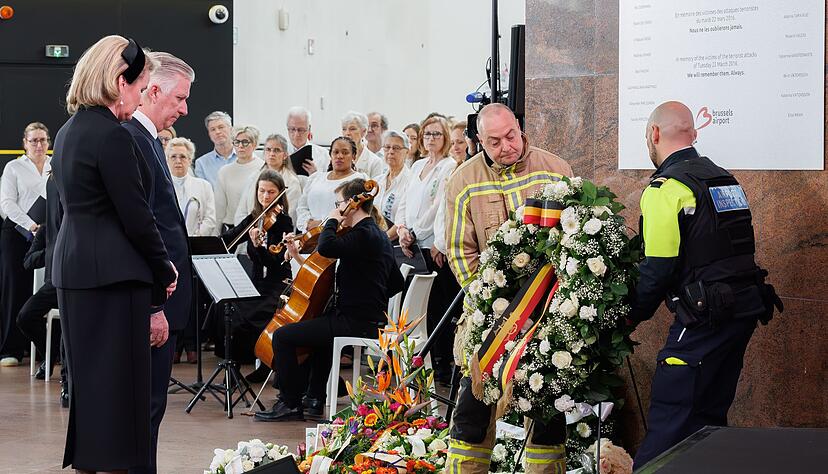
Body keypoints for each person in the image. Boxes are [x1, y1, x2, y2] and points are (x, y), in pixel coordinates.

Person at [628, 101, 781, 468]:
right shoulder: (725, 179)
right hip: (743, 312)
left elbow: (658, 268)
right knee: (708, 425)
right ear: (694, 134)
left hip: (703, 319)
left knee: (670, 422)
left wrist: (628, 316)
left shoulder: (665, 188)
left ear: (654, 134)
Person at [50, 35, 177, 473]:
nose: (140, 99)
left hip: (74, 272)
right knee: (124, 399)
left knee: (91, 392)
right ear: (120, 81)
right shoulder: (113, 136)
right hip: (115, 279)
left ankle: (90, 463)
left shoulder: (69, 132)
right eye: (140, 88)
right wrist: (164, 270)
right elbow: (137, 217)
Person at [444, 103, 572, 473]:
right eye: (495, 142)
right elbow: (460, 250)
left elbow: (574, 234)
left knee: (547, 411)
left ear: (519, 127)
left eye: (511, 136)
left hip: (547, 315)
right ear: (479, 141)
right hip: (490, 318)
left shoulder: (555, 169)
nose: (506, 147)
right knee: (472, 410)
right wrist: (490, 302)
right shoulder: (462, 181)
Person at [254, 177, 404, 421]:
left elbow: (326, 247)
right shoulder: (377, 234)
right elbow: (397, 283)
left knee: (283, 336)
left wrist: (333, 219)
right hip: (368, 318)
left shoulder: (362, 234)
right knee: (320, 333)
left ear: (353, 204)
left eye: (339, 203)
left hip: (356, 321)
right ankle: (314, 398)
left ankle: (290, 403)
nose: (337, 208)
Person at [122, 50, 194, 474]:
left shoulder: (148, 139)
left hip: (160, 298)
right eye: (179, 98)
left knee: (151, 409)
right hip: (153, 301)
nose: (184, 110)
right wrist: (155, 305)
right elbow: (142, 228)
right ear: (152, 90)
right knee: (144, 409)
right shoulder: (133, 138)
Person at [396, 116, 457, 382]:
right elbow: (403, 202)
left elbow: (439, 206)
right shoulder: (418, 165)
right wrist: (402, 229)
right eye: (427, 134)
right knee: (415, 308)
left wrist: (415, 232)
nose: (431, 138)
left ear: (445, 138)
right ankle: (417, 362)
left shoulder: (448, 166)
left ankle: (442, 364)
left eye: (436, 134)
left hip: (432, 245)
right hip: (411, 245)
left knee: (437, 308)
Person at [219, 170, 293, 363]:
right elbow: (230, 238)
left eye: (271, 192)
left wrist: (258, 247)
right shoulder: (254, 218)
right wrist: (206, 244)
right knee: (225, 309)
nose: (265, 196)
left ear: (279, 194)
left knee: (249, 314)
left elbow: (275, 262)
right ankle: (235, 364)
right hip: (256, 282)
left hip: (276, 284)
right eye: (262, 191)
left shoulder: (283, 221)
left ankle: (262, 362)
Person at [0, 122, 52, 366]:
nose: (38, 145)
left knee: (43, 291)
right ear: (25, 143)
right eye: (33, 140)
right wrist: (31, 225)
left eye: (43, 140)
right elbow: (6, 204)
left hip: (47, 236)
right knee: (14, 289)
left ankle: (44, 350)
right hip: (18, 234)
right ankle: (10, 349)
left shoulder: (55, 166)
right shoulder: (14, 167)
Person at [17, 170, 66, 405]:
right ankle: (50, 352)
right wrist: (50, 252)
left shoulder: (72, 225)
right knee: (24, 317)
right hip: (51, 285)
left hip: (71, 284)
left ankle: (65, 372)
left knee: (69, 324)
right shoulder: (46, 228)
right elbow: (28, 261)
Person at [295, 137, 367, 233]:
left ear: (353, 156)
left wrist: (324, 224)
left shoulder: (359, 179)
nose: (339, 156)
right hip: (309, 235)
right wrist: (307, 223)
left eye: (345, 152)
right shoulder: (315, 178)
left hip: (341, 234)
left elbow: (358, 213)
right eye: (335, 152)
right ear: (330, 155)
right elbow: (302, 207)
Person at [235, 133, 302, 228]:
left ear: (285, 155)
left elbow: (290, 216)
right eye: (268, 149)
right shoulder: (254, 177)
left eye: (277, 150)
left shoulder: (292, 182)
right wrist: (247, 230)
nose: (272, 154)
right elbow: (241, 211)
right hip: (249, 231)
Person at [214, 126, 265, 230]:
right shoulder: (224, 171)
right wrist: (216, 233)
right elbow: (219, 207)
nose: (240, 146)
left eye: (245, 142)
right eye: (237, 142)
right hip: (231, 227)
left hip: (257, 227)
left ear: (254, 144)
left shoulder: (263, 168)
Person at [166, 138, 216, 237]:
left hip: (196, 242)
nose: (178, 161)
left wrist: (195, 237)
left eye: (183, 157)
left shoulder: (204, 186)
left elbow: (210, 219)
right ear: (167, 160)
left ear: (190, 160)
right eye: (173, 156)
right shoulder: (160, 187)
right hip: (168, 242)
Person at [375, 130, 412, 241]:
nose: (390, 151)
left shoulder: (411, 181)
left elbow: (404, 219)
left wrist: (382, 241)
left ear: (407, 152)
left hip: (396, 241)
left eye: (396, 148)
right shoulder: (377, 181)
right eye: (387, 147)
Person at [194, 111, 236, 188]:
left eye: (221, 127)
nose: (217, 132)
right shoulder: (201, 163)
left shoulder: (244, 157)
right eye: (213, 129)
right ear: (209, 134)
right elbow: (203, 192)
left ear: (231, 129)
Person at [285, 106, 330, 175]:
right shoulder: (279, 152)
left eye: (301, 130)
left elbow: (329, 180)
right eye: (292, 129)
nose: (296, 134)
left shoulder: (323, 155)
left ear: (309, 129)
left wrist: (315, 175)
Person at [341, 111, 385, 179]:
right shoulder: (336, 157)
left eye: (352, 129)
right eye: (344, 129)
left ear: (364, 132)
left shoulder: (375, 162)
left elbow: (376, 185)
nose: (347, 133)